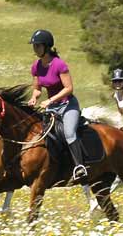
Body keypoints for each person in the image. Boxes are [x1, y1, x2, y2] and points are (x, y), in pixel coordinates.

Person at [28, 29, 87, 181]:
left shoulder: (59, 64)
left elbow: (69, 88)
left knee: (69, 133)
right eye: (34, 46)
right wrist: (34, 97)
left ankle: (80, 166)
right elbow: (37, 88)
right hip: (52, 107)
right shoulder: (36, 66)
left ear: (47, 47)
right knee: (41, 134)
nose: (35, 49)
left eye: (37, 46)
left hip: (68, 105)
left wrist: (50, 100)